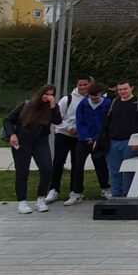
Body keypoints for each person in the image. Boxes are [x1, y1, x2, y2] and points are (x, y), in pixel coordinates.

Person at [5, 85, 62, 214]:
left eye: (51, 94)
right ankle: (22, 201)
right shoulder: (26, 105)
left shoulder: (51, 108)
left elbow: (58, 121)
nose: (47, 96)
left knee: (47, 168)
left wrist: (53, 106)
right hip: (23, 140)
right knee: (22, 171)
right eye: (45, 93)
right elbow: (8, 119)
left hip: (40, 141)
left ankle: (41, 198)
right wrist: (12, 134)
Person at [46, 75, 92, 204]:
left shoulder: (92, 99)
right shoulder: (67, 99)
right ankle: (54, 189)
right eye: (80, 85)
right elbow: (57, 118)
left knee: (77, 163)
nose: (82, 87)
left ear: (90, 85)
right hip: (63, 134)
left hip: (80, 137)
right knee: (58, 162)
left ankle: (75, 191)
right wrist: (68, 128)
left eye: (85, 85)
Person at [100, 81, 138, 198]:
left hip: (130, 141)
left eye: (125, 89)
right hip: (113, 141)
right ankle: (116, 194)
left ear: (131, 88)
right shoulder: (114, 102)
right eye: (120, 89)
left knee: (129, 171)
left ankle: (127, 194)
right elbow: (107, 121)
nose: (123, 91)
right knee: (114, 171)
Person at [71, 83, 112, 204]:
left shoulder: (107, 104)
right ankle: (76, 192)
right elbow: (80, 121)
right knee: (78, 165)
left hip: (99, 140)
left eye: (95, 96)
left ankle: (105, 188)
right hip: (84, 140)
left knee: (101, 165)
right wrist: (87, 137)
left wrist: (97, 139)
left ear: (101, 93)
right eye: (91, 96)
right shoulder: (83, 104)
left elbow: (107, 123)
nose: (93, 98)